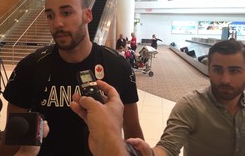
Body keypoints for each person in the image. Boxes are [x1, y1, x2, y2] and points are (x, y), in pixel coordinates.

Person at [0, 0, 144, 156]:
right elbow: (14, 133)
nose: (57, 23)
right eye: (50, 15)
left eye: (66, 13)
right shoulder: (31, 67)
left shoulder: (117, 66)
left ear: (87, 15)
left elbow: (132, 130)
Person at [70, 39, 245, 156]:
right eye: (217, 70)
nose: (225, 79)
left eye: (234, 71)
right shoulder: (192, 106)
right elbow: (168, 147)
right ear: (209, 70)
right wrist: (151, 153)